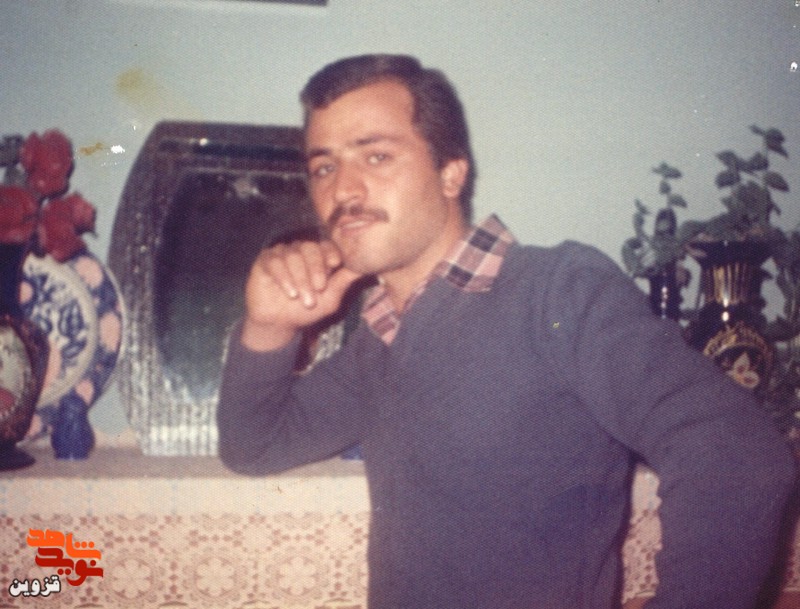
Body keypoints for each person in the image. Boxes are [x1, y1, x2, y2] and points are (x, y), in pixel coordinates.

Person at [217, 54, 796, 609]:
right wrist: (269, 325)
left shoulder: (556, 290)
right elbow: (254, 446)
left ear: (451, 174)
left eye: (376, 156)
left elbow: (737, 456)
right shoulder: (381, 337)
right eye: (324, 167)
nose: (342, 190)